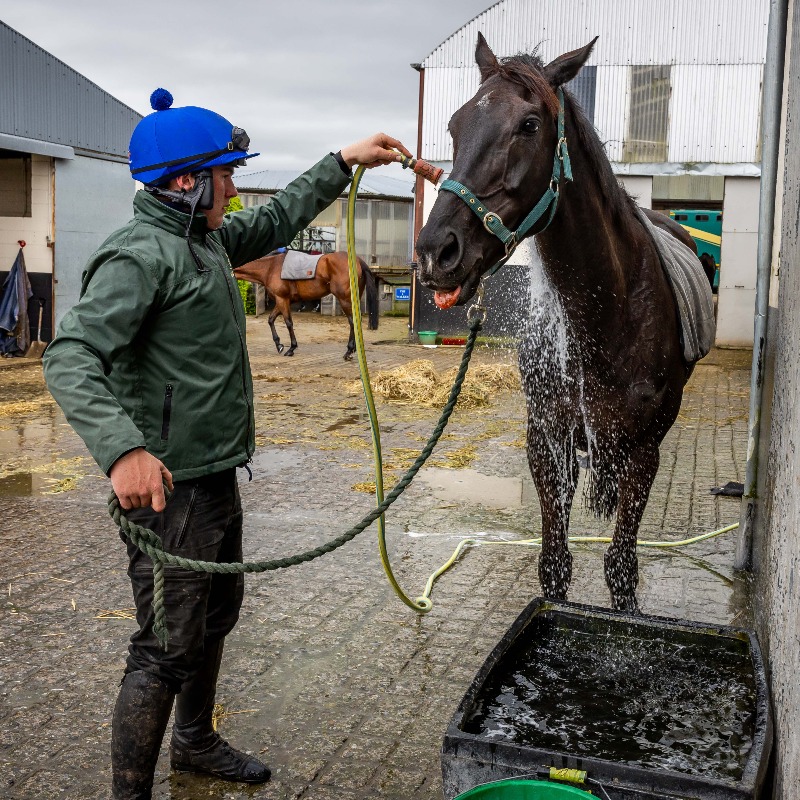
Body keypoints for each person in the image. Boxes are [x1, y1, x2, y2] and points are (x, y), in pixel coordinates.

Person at [43, 88, 410, 800]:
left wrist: (341, 161)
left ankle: (196, 741)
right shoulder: (139, 255)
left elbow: (277, 217)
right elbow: (70, 356)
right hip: (166, 488)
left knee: (213, 618)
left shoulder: (205, 239)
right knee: (161, 647)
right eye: (228, 175)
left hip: (213, 476)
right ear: (188, 181)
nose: (236, 189)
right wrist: (123, 451)